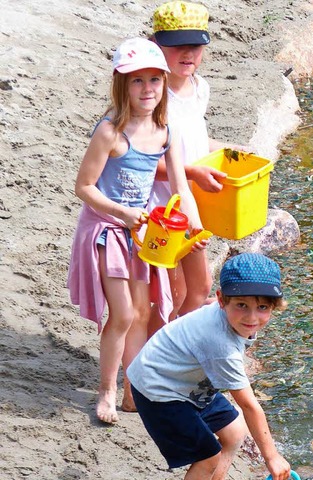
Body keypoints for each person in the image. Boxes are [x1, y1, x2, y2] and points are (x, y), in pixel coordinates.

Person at [67, 37, 207, 424]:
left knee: (144, 311)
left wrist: (194, 226)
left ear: (164, 84)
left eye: (154, 81)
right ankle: (107, 391)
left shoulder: (166, 129)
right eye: (137, 81)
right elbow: (84, 187)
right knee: (124, 312)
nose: (147, 90)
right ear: (122, 85)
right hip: (106, 229)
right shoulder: (111, 132)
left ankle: (134, 392)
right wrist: (122, 213)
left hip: (142, 231)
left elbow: (180, 186)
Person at [127, 253, 292, 480]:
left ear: (274, 306)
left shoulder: (224, 311)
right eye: (241, 305)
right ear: (222, 300)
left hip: (184, 381)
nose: (252, 318)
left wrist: (236, 306)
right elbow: (249, 405)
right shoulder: (221, 345)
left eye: (262, 307)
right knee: (208, 457)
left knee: (234, 433)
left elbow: (211, 306)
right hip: (159, 389)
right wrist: (271, 456)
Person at [147, 1, 249, 334]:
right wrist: (192, 173)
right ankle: (160, 349)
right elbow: (144, 161)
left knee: (201, 287)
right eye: (178, 46)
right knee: (170, 292)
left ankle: (172, 344)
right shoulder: (153, 97)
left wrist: (231, 151)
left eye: (196, 45)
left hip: (191, 203)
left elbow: (194, 139)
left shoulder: (199, 88)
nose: (188, 53)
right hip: (161, 207)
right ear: (156, 45)